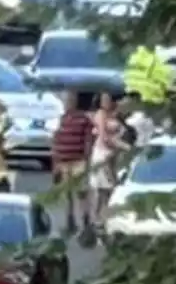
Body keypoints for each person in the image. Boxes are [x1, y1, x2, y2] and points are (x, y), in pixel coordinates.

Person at [50, 89, 95, 235]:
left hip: (78, 161)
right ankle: (70, 221)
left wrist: (87, 160)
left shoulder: (84, 119)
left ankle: (86, 220)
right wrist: (55, 162)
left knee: (82, 192)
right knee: (67, 193)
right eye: (66, 100)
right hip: (63, 162)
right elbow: (56, 140)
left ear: (75, 102)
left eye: (70, 100)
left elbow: (88, 140)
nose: (67, 103)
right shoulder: (62, 118)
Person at [89, 91, 130, 225]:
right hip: (102, 154)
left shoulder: (115, 114)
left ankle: (102, 218)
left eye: (108, 99)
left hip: (114, 155)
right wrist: (124, 146)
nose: (106, 103)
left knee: (108, 189)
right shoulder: (101, 114)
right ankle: (98, 217)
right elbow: (104, 137)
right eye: (104, 100)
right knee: (105, 188)